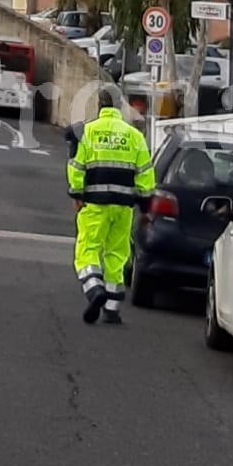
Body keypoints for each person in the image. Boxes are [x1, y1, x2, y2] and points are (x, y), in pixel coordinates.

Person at [66, 86, 155, 325]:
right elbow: (146, 172)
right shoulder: (134, 136)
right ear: (118, 106)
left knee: (88, 250)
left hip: (94, 204)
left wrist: (77, 193)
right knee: (117, 253)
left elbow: (76, 166)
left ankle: (95, 290)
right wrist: (145, 203)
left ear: (100, 105)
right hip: (124, 206)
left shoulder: (88, 131)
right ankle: (112, 307)